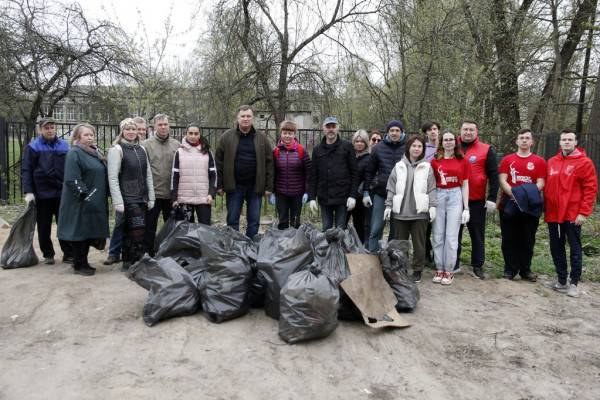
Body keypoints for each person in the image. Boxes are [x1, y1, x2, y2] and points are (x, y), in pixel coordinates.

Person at [545, 129, 597, 297]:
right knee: (556, 247)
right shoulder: (552, 161)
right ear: (560, 143)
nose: (566, 142)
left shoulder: (585, 162)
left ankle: (574, 283)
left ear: (575, 142)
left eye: (570, 140)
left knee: (574, 248)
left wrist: (583, 212)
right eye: (564, 140)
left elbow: (590, 189)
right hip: (553, 213)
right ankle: (561, 280)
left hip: (573, 214)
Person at [57, 124, 109, 276]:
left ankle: (83, 261)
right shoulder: (74, 153)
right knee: (79, 232)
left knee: (87, 231)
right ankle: (79, 264)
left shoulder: (95, 152)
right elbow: (72, 179)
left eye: (92, 134)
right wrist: (85, 195)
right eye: (86, 135)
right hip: (79, 200)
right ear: (78, 137)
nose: (90, 137)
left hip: (94, 199)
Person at [384, 135, 437, 283]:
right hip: (400, 212)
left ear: (423, 149)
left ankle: (417, 270)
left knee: (419, 243)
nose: (416, 148)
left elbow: (432, 188)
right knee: (400, 244)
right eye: (414, 146)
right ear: (408, 148)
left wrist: (433, 206)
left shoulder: (427, 167)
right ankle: (402, 268)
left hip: (419, 213)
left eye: (420, 146)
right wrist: (388, 206)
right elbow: (391, 187)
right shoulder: (399, 166)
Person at [215, 105, 273, 238]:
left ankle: (251, 247)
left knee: (254, 221)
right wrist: (219, 185)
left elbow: (269, 163)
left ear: (253, 118)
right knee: (232, 219)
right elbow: (218, 162)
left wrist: (269, 187)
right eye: (243, 116)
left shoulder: (262, 138)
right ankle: (235, 247)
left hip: (255, 186)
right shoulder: (226, 137)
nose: (245, 119)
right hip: (234, 186)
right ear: (237, 118)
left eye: (248, 116)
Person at [21, 117, 73, 265]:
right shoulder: (33, 147)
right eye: (46, 128)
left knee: (64, 223)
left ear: (55, 128)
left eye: (52, 127)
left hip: (62, 192)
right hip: (42, 192)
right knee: (44, 225)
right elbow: (26, 170)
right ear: (40, 130)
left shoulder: (64, 145)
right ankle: (48, 254)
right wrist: (29, 191)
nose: (50, 130)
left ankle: (68, 253)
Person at [498, 128, 546, 282]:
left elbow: (541, 183)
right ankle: (510, 269)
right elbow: (502, 180)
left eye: (527, 138)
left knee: (527, 239)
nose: (524, 140)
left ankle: (526, 270)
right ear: (517, 141)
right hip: (509, 204)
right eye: (521, 138)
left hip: (530, 206)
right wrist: (515, 195)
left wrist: (525, 195)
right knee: (509, 238)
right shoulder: (507, 160)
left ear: (532, 142)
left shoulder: (539, 161)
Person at [108, 118, 155, 272]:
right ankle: (129, 260)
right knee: (133, 230)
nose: (131, 132)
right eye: (127, 129)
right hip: (127, 197)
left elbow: (148, 173)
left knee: (138, 230)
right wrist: (118, 201)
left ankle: (134, 259)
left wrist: (151, 196)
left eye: (133, 129)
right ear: (122, 131)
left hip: (141, 196)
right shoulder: (117, 150)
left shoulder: (141, 149)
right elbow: (113, 177)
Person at [455, 120, 499, 279]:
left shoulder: (486, 149)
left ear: (476, 132)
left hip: (476, 200)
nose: (467, 132)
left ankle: (478, 265)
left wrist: (492, 197)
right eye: (465, 129)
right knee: (454, 233)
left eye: (471, 130)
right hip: (454, 199)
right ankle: (454, 261)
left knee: (477, 234)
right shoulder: (452, 145)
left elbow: (494, 175)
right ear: (460, 131)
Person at [430, 130, 470, 285]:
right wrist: (432, 204)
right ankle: (439, 268)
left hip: (455, 195)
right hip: (439, 194)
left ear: (455, 142)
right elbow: (431, 184)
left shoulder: (463, 160)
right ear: (441, 142)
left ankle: (449, 270)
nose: (448, 142)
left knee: (451, 237)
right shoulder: (435, 161)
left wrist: (466, 207)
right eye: (445, 140)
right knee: (438, 235)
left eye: (451, 139)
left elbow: (465, 184)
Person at [363, 120, 407, 251]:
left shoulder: (408, 147)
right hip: (381, 193)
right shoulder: (378, 148)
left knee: (396, 230)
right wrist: (366, 191)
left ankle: (393, 259)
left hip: (401, 195)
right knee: (376, 227)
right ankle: (373, 256)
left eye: (397, 130)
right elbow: (369, 171)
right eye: (392, 130)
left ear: (402, 132)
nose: (394, 133)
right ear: (387, 132)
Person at [308, 116, 358, 230]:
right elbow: (313, 175)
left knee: (340, 230)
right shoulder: (317, 150)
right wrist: (312, 197)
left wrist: (352, 196)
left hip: (343, 197)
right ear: (323, 129)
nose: (331, 129)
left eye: (333, 126)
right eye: (328, 126)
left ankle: (339, 248)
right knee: (326, 229)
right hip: (324, 198)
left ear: (338, 129)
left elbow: (354, 173)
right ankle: (327, 248)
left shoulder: (347, 147)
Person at [142, 114, 179, 256]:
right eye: (160, 125)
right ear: (154, 127)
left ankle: (168, 253)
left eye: (165, 124)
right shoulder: (146, 145)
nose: (163, 127)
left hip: (171, 195)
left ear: (169, 126)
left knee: (171, 228)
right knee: (149, 227)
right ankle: (148, 254)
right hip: (153, 194)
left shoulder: (177, 145)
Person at [171, 123, 217, 224]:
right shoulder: (179, 152)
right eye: (190, 133)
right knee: (186, 232)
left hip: (203, 198)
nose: (193, 136)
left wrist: (211, 194)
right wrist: (174, 198)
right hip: (184, 198)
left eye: (196, 133)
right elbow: (174, 176)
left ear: (200, 135)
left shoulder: (207, 151)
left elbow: (213, 175)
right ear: (186, 134)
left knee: (205, 230)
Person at [271, 120, 310, 229]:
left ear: (294, 134)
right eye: (285, 133)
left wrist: (307, 191)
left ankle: (295, 245)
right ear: (281, 134)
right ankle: (283, 244)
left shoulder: (301, 151)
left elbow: (308, 173)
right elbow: (272, 173)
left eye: (290, 133)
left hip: (297, 194)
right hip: (281, 193)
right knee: (282, 222)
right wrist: (272, 192)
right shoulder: (276, 151)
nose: (287, 136)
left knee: (295, 222)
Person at [347, 129, 371, 242]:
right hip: (346, 195)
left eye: (362, 141)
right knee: (341, 224)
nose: (359, 144)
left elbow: (368, 178)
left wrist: (362, 192)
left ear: (366, 143)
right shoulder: (348, 156)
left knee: (359, 226)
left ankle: (359, 251)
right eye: (357, 141)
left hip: (360, 197)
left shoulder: (369, 158)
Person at [422, 120, 441, 266]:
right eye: (429, 130)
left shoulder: (445, 146)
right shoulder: (423, 148)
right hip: (427, 190)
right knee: (426, 224)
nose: (433, 132)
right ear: (426, 133)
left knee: (440, 225)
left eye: (435, 129)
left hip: (444, 188)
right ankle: (426, 253)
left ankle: (439, 256)